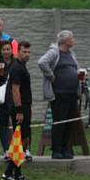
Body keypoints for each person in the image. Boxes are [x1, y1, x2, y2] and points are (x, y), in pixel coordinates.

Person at [38, 30, 80, 159]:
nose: (73, 40)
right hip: (59, 93)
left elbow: (75, 68)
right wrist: (51, 75)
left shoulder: (71, 54)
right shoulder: (54, 52)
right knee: (59, 121)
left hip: (72, 92)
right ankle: (56, 149)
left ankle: (66, 148)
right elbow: (42, 62)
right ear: (65, 40)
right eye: (71, 38)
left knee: (69, 121)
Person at [1, 41, 33, 180]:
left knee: (23, 140)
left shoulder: (22, 67)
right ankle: (15, 174)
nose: (27, 54)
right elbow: (15, 90)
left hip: (25, 106)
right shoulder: (16, 68)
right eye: (24, 52)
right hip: (18, 108)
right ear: (18, 51)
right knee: (20, 141)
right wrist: (19, 110)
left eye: (29, 52)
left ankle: (10, 173)